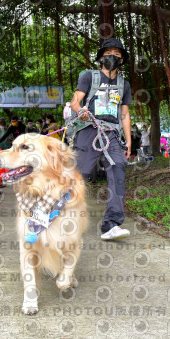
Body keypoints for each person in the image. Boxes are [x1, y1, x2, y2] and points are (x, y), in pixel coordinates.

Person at [70, 37, 132, 240]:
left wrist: (128, 140)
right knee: (81, 173)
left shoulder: (124, 84)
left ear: (122, 59)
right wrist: (81, 112)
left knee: (118, 167)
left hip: (112, 133)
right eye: (108, 53)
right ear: (101, 57)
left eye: (116, 53)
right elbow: (75, 102)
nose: (112, 56)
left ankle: (111, 224)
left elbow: (124, 114)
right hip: (89, 129)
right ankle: (59, 213)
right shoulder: (89, 77)